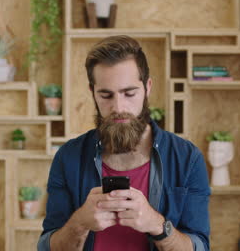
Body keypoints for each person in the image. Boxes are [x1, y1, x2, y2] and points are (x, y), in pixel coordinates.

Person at [37, 35, 210, 251]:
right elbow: (47, 246)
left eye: (129, 93)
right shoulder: (67, 156)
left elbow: (199, 247)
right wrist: (80, 222)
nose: (118, 106)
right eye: (106, 95)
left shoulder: (187, 158)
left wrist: (157, 225)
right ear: (92, 93)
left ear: (147, 87)